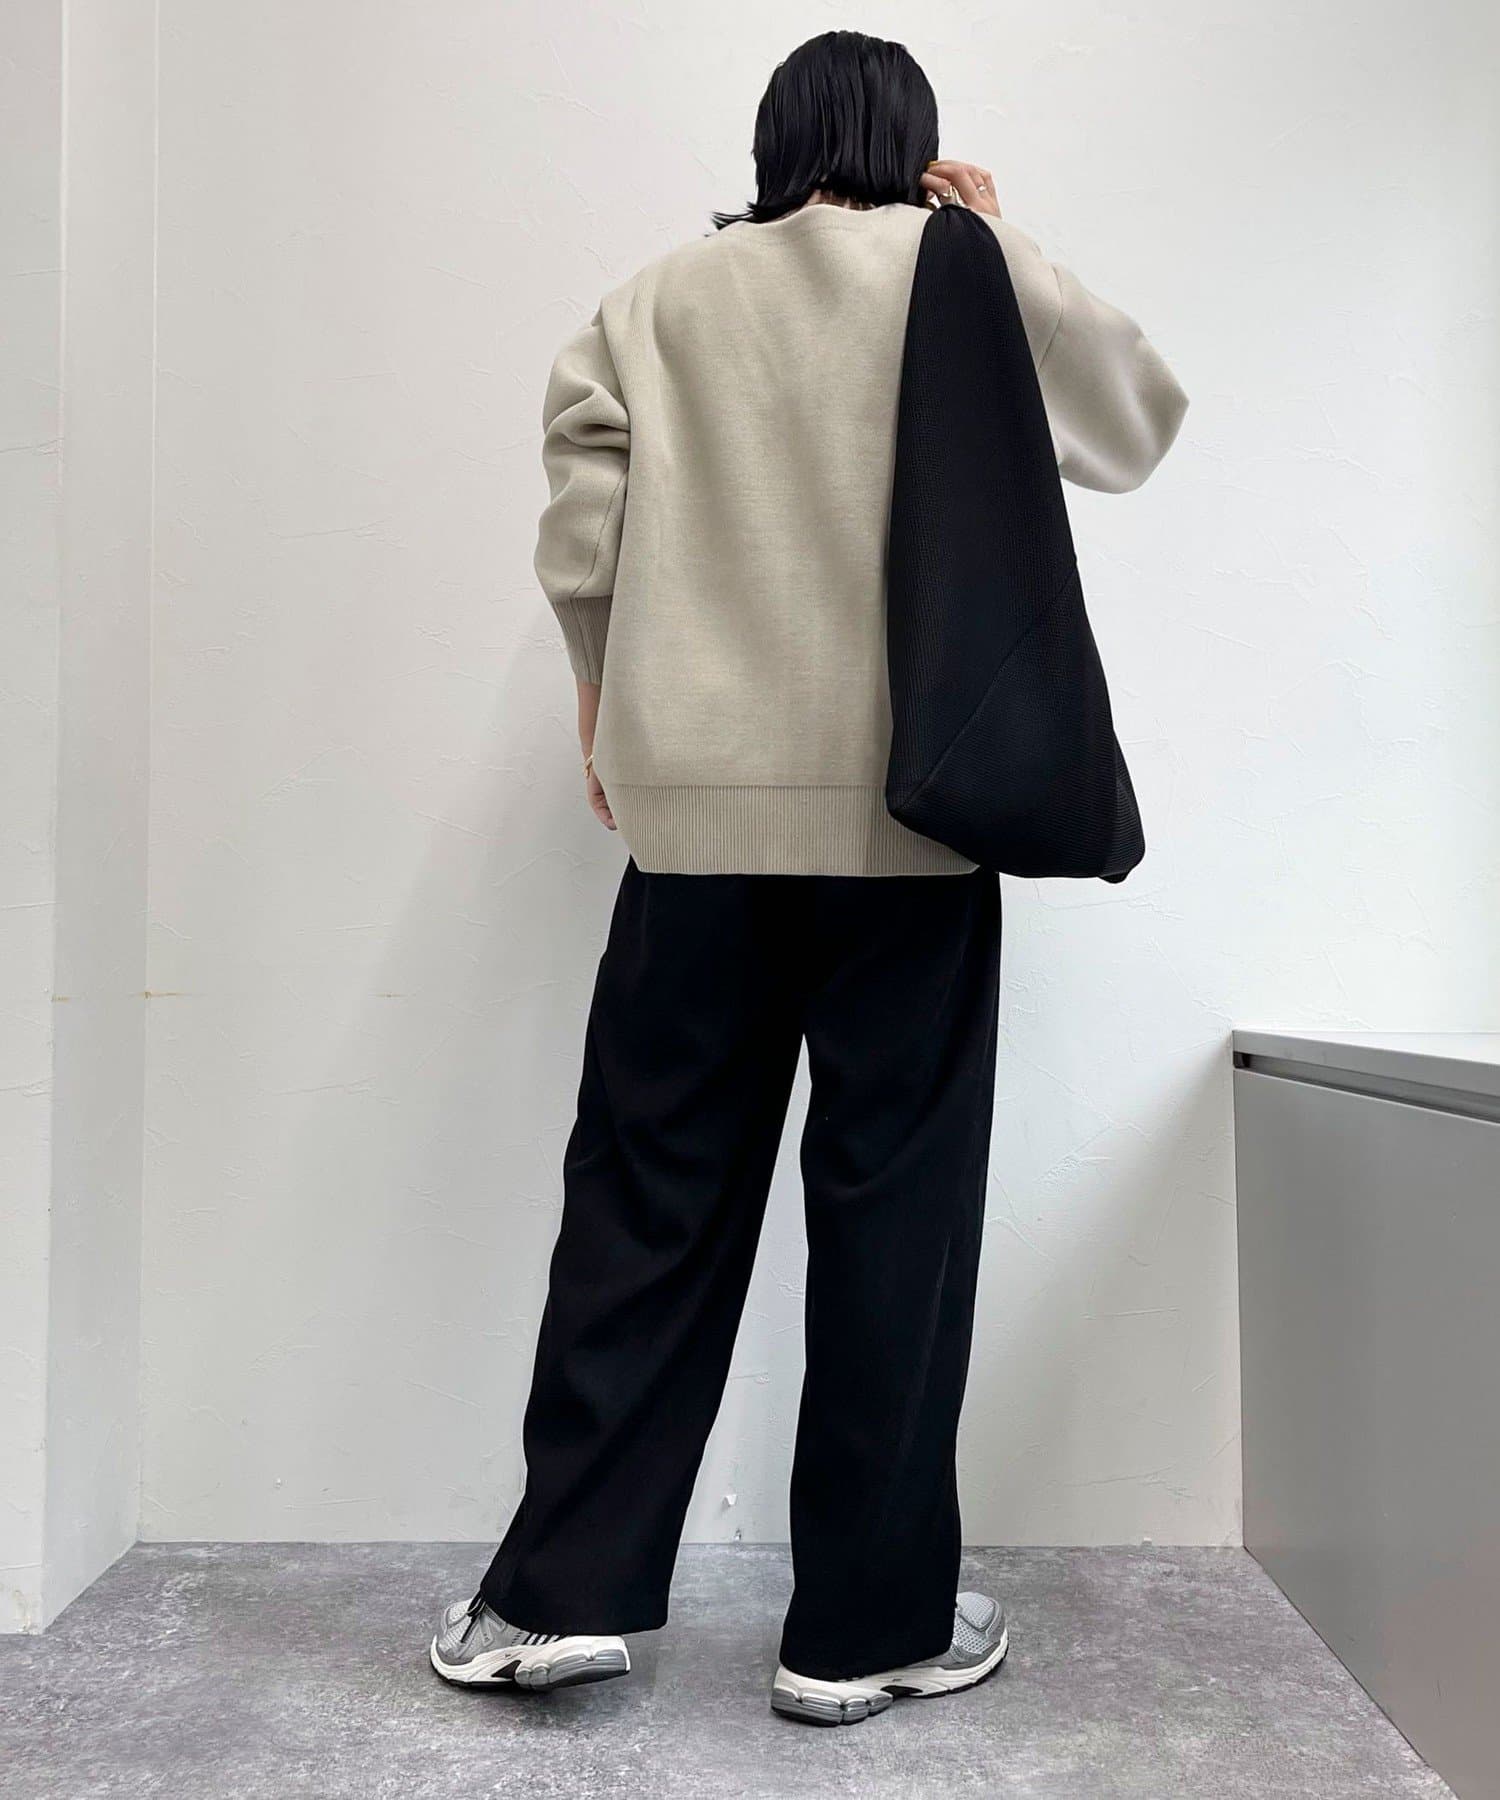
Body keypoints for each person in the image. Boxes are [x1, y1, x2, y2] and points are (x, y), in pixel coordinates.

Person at [431, 29, 1187, 1725]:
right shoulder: (960, 276)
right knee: (895, 1220)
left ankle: (556, 1595)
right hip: (912, 820)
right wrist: (1000, 241)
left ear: (774, 144)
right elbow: (1134, 427)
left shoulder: (658, 298)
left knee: (646, 1199)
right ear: (915, 141)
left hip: (697, 825)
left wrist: (600, 703)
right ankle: (863, 1631)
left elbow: (582, 536)